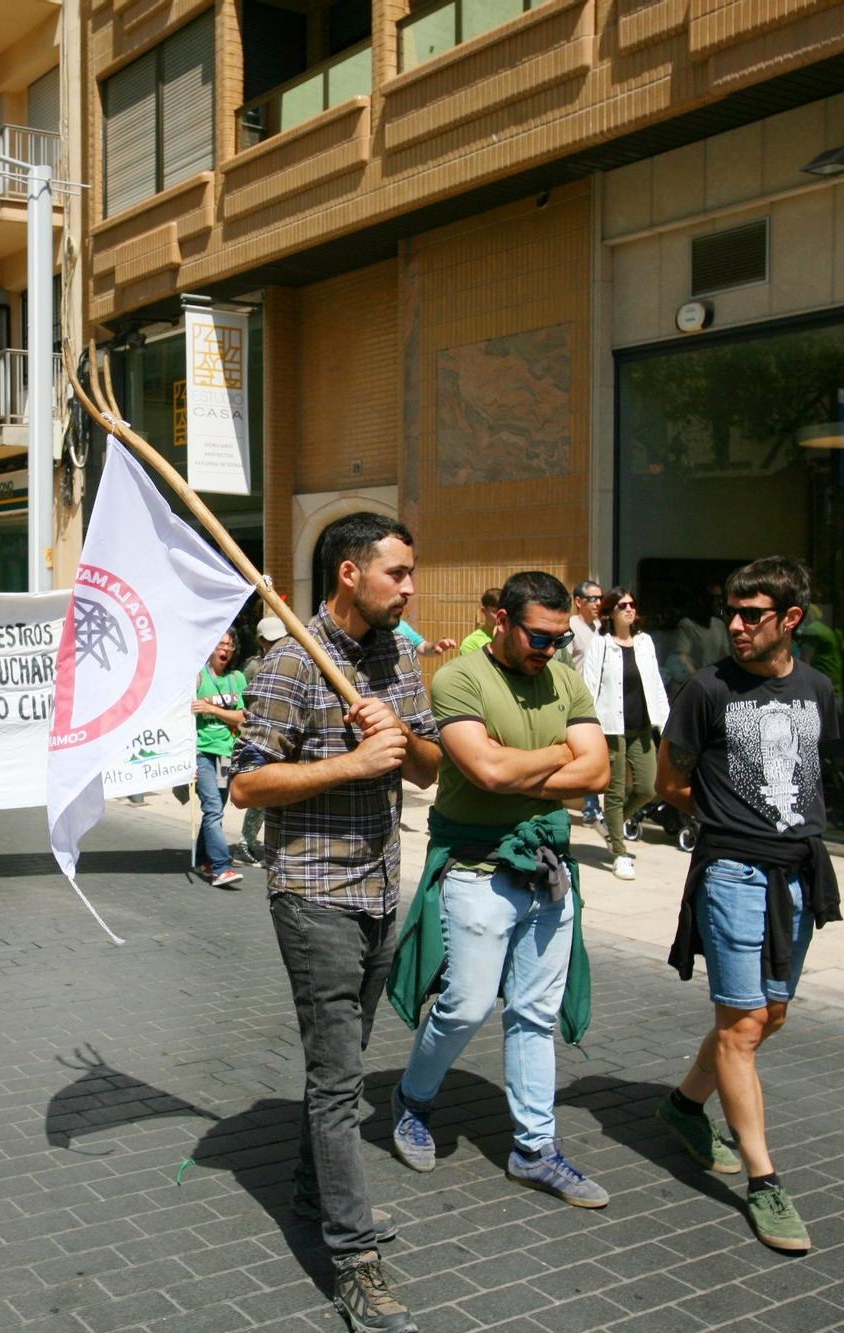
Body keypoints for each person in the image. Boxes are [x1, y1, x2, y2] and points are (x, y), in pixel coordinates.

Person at [230, 512, 441, 1333]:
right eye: (397, 573)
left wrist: (398, 739)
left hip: (385, 889)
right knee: (338, 1079)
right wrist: (349, 762)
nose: (410, 586)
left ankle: (316, 1188)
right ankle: (355, 1258)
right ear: (350, 573)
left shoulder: (396, 653)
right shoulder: (287, 661)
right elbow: (247, 786)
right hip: (315, 893)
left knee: (349, 1057)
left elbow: (426, 767)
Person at [389, 572, 611, 1209]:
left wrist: (519, 769)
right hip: (476, 869)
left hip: (548, 871)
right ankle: (413, 1098)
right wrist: (555, 758)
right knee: (465, 1005)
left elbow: (595, 771)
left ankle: (534, 1149)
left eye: (560, 637)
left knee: (534, 1016)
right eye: (539, 637)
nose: (550, 650)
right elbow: (482, 771)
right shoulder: (460, 677)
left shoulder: (565, 678)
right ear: (502, 623)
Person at [654, 556, 842, 1255]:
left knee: (769, 1016)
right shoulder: (707, 689)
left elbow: (819, 767)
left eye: (751, 613)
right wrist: (729, 824)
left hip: (797, 876)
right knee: (740, 1027)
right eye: (731, 611)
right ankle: (765, 1180)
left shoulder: (818, 688)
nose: (735, 625)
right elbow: (669, 780)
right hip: (731, 872)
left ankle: (682, 1105)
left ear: (789, 619)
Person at [583, 587, 669, 880]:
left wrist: (666, 724)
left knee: (648, 788)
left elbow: (656, 683)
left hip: (642, 727)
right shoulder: (602, 644)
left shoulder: (645, 642)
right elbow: (589, 685)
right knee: (615, 792)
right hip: (611, 728)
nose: (629, 609)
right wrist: (587, 726)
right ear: (611, 612)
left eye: (632, 604)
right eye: (622, 605)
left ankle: (611, 825)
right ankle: (619, 852)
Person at [193, 629, 249, 888]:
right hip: (203, 753)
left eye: (230, 645)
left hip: (228, 755)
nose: (225, 649)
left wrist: (212, 708)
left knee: (215, 810)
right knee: (213, 809)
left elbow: (243, 717)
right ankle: (221, 867)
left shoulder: (237, 679)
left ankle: (203, 859)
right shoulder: (197, 677)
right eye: (220, 644)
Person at [235, 613, 287, 864]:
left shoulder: (290, 662)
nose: (273, 645)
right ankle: (247, 841)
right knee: (260, 796)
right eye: (269, 641)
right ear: (261, 641)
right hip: (260, 737)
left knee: (276, 797)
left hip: (284, 737)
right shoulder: (255, 666)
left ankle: (266, 843)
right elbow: (241, 698)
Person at [569, 580, 604, 827]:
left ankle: (593, 806)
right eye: (593, 599)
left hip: (601, 702)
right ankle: (590, 805)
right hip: (577, 703)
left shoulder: (601, 628)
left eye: (600, 598)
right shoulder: (571, 627)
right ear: (578, 601)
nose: (598, 604)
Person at [454, 586, 503, 657]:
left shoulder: (514, 637)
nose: (500, 617)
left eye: (503, 612)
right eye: (495, 612)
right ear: (484, 611)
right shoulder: (471, 643)